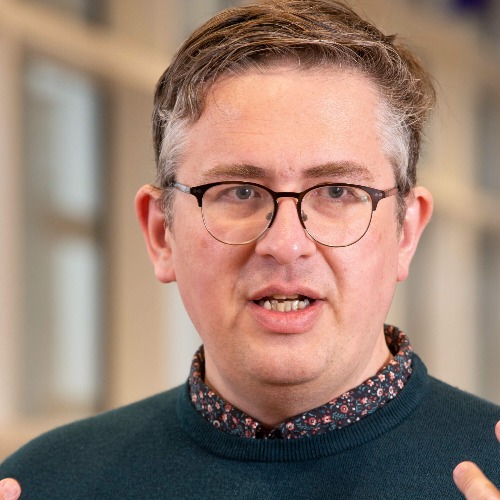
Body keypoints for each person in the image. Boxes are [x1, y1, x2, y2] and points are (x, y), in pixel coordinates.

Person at [1, 0, 499, 498]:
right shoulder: (46, 483)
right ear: (160, 233)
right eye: (239, 192)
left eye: (337, 192)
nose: (285, 244)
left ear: (406, 233)